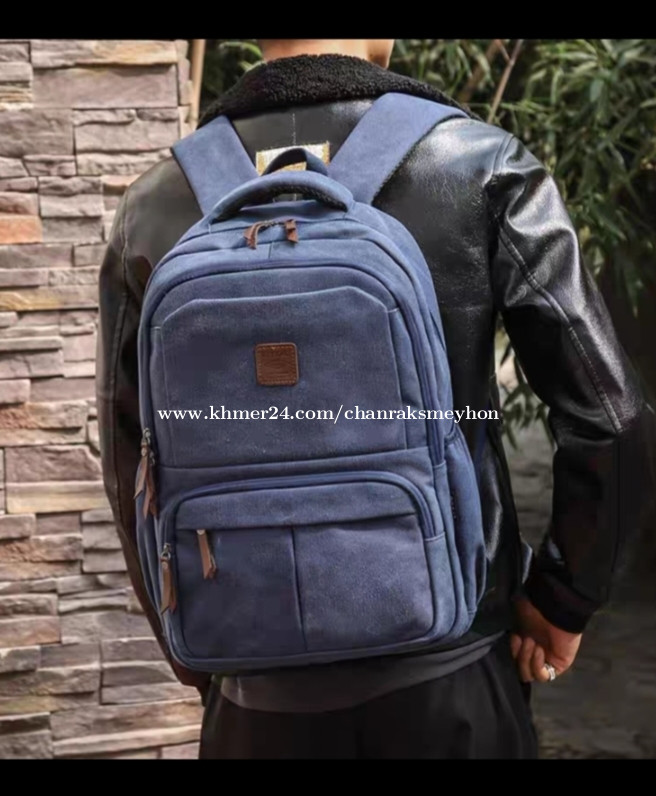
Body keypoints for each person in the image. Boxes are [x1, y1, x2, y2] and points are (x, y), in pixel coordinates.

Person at [97, 38, 650, 759]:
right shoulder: (480, 163)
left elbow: (127, 463)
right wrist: (562, 600)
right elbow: (610, 417)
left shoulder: (154, 203)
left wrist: (194, 647)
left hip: (254, 699)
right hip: (451, 682)